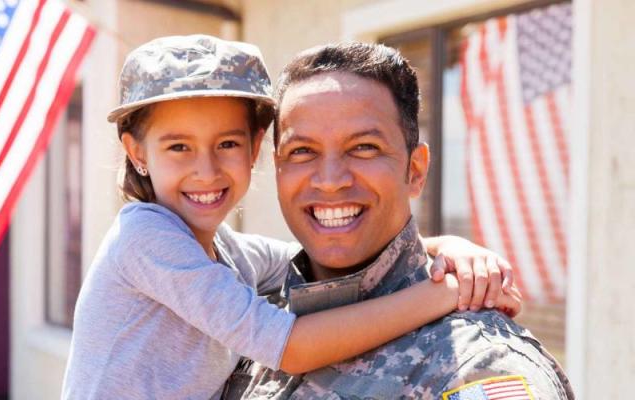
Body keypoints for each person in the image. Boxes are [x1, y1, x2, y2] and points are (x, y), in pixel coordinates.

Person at [62, 35, 519, 400]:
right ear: (137, 152)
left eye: (227, 144)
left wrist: (454, 248)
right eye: (178, 146)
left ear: (256, 148)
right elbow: (291, 347)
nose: (206, 169)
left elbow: (310, 255)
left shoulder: (228, 254)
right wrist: (448, 293)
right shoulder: (144, 237)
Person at [222, 42, 573, 399]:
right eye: (302, 151)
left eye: (364, 148)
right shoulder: (246, 325)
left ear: (415, 170)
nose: (330, 180)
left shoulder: (475, 364)